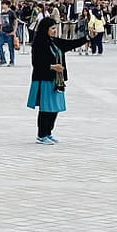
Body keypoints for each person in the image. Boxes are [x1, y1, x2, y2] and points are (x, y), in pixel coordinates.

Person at [27, 10, 87, 144]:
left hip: (57, 80)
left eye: (55, 28)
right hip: (45, 79)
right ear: (45, 29)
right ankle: (41, 134)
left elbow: (70, 44)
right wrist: (53, 67)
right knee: (46, 108)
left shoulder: (54, 41)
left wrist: (87, 38)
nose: (55, 31)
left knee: (55, 108)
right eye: (52, 28)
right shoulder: (39, 43)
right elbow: (36, 63)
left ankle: (49, 132)